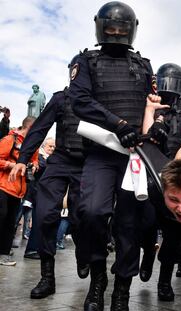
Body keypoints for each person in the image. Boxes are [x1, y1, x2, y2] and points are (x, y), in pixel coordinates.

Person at [68, 2, 154, 309]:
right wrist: (117, 124)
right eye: (111, 27)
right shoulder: (86, 61)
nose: (116, 32)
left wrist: (153, 128)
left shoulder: (143, 65)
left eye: (122, 28)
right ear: (100, 27)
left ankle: (121, 289)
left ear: (132, 30)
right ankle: (98, 277)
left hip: (134, 156)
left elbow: (151, 104)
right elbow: (79, 100)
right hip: (101, 151)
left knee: (130, 225)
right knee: (90, 212)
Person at [9, 90, 86, 299]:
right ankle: (47, 277)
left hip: (87, 163)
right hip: (60, 160)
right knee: (43, 215)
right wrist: (22, 159)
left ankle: (83, 253)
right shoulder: (62, 98)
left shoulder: (100, 97)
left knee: (82, 217)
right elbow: (40, 128)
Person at [142, 63, 181, 301]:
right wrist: (150, 112)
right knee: (146, 226)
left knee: (175, 238)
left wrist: (178, 164)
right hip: (150, 178)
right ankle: (147, 253)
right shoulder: (150, 105)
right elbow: (144, 139)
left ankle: (164, 282)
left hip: (175, 181)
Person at [0, 116, 37, 266]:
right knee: (1, 218)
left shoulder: (31, 145)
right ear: (29, 128)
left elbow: (34, 160)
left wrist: (34, 165)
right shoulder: (10, 140)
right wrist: (11, 165)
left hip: (18, 191)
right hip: (3, 186)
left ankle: (3, 254)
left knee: (10, 223)